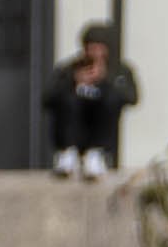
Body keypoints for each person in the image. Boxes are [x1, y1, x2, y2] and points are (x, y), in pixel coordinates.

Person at [42, 22, 135, 175]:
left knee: (111, 99)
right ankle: (67, 156)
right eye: (90, 48)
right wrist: (73, 81)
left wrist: (107, 80)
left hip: (100, 135)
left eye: (98, 48)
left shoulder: (119, 71)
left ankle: (96, 155)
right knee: (68, 99)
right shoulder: (68, 69)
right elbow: (47, 98)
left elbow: (132, 98)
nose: (93, 53)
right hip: (71, 133)